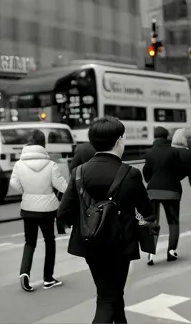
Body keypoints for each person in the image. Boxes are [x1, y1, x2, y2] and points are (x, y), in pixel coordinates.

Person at [58, 117, 154, 324]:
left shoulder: (79, 172)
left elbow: (63, 213)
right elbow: (147, 210)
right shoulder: (131, 174)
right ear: (119, 140)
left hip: (90, 242)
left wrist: (89, 218)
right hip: (121, 243)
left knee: (110, 292)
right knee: (109, 296)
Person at [10, 130, 67, 292]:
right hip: (47, 209)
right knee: (50, 241)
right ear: (44, 144)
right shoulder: (50, 165)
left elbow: (14, 183)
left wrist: (26, 192)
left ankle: (24, 273)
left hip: (27, 208)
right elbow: (62, 186)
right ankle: (48, 278)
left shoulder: (19, 164)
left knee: (30, 242)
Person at [143, 126, 187, 265]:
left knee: (152, 222)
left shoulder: (149, 152)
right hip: (172, 191)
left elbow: (146, 172)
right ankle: (171, 252)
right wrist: (174, 179)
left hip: (153, 191)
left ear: (155, 137)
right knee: (173, 221)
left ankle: (150, 254)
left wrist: (151, 180)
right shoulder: (174, 152)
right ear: (167, 136)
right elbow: (182, 170)